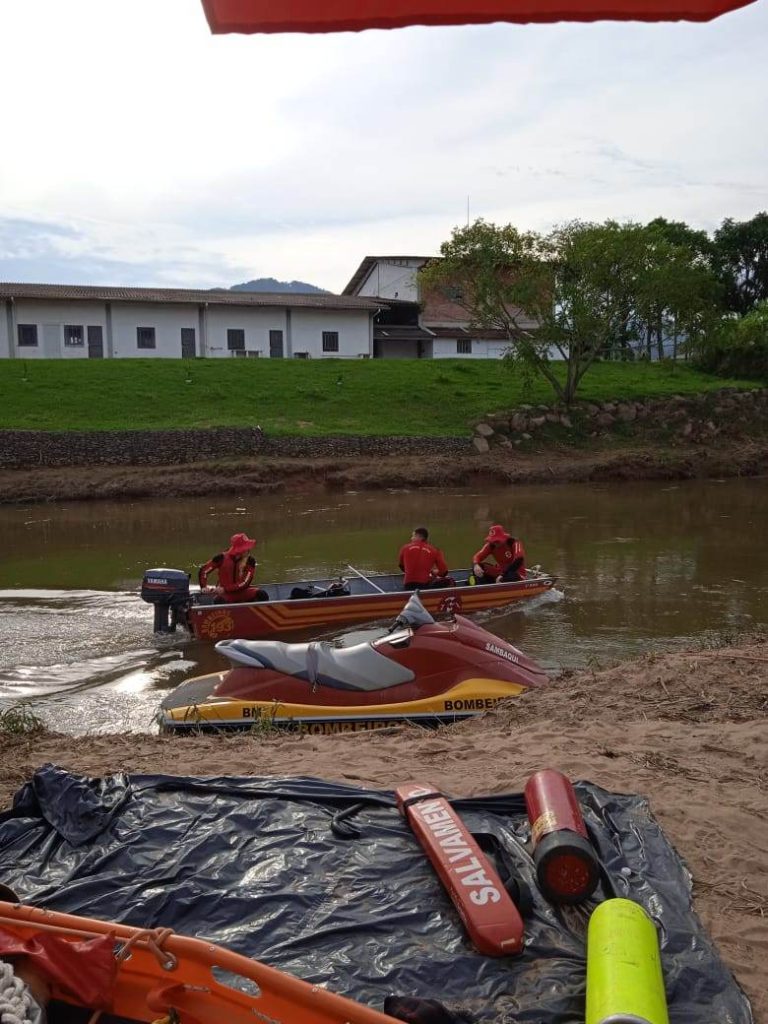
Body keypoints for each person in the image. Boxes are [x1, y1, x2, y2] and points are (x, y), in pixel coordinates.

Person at [198, 532, 269, 603]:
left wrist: (225, 589)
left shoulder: (250, 561)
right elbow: (204, 571)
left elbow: (245, 583)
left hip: (243, 592)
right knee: (219, 600)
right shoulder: (221, 558)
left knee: (262, 594)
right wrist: (204, 587)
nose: (248, 550)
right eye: (245, 548)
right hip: (226, 595)